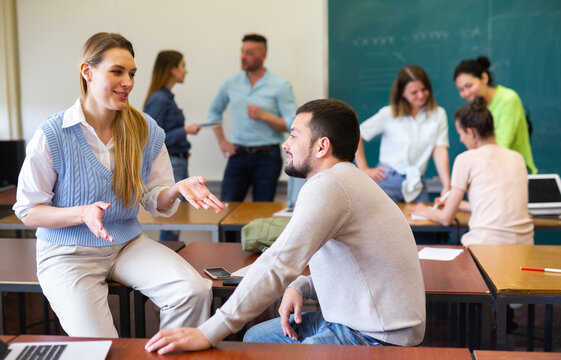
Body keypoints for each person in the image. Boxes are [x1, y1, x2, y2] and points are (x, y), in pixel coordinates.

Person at [146, 99, 426, 354]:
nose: (285, 144)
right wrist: (301, 286)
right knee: (256, 337)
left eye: (294, 135)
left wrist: (207, 332)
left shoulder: (330, 186)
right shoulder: (344, 180)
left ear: (321, 146)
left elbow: (279, 263)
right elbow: (356, 271)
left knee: (256, 347)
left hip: (375, 337)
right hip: (361, 321)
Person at [12, 32, 224, 338]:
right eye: (117, 72)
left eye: (132, 73)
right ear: (87, 71)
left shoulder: (146, 130)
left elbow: (153, 198)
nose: (128, 82)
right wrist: (81, 213)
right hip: (66, 253)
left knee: (193, 292)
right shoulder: (53, 134)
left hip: (127, 245)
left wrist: (176, 189)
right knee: (100, 346)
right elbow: (28, 210)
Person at [410, 96, 534, 246]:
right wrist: (459, 205)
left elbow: (445, 218)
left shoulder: (466, 159)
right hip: (524, 246)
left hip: (485, 247)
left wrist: (425, 211)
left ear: (471, 132)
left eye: (461, 134)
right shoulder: (517, 158)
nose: (461, 139)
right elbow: (498, 206)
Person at [208, 33, 298, 202]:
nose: (243, 57)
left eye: (249, 53)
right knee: (227, 208)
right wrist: (222, 141)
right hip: (238, 155)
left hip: (268, 157)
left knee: (261, 212)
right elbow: (214, 112)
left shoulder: (281, 85)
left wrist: (265, 117)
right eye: (242, 52)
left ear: (263, 55)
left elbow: (292, 124)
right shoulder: (230, 83)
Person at [355, 65, 450, 203]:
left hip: (417, 181)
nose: (421, 95)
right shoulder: (388, 113)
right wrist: (364, 169)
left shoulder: (438, 114)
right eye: (414, 92)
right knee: (384, 223)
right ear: (402, 93)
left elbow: (440, 149)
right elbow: (357, 135)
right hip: (387, 180)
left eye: (424, 89)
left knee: (421, 222)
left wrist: (446, 185)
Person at [144, 50, 200, 241]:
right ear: (172, 69)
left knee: (176, 216)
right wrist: (185, 131)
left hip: (179, 161)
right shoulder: (159, 99)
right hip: (172, 162)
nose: (186, 71)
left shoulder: (167, 97)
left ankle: (171, 251)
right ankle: (169, 252)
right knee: (172, 217)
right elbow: (152, 137)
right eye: (183, 66)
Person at [453, 56, 537, 174]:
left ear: (484, 77)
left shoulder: (508, 99)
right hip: (491, 171)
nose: (466, 93)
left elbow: (501, 146)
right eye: (461, 90)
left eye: (469, 86)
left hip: (516, 172)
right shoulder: (477, 108)